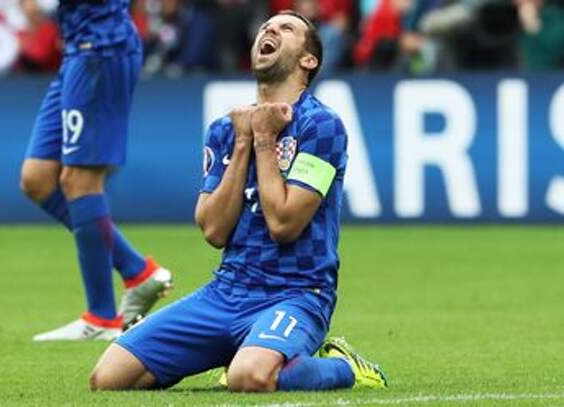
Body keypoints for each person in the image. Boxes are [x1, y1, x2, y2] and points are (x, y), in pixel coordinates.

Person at [89, 10, 388, 392]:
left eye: (286, 28)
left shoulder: (321, 126)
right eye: (266, 26)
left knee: (249, 377)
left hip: (296, 294)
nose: (270, 29)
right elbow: (213, 230)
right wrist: (244, 140)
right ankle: (251, 348)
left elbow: (284, 224)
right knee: (109, 377)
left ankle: (345, 367)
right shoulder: (225, 130)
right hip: (226, 292)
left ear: (308, 60)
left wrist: (263, 139)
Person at [20, 0, 172, 342]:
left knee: (80, 180)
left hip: (101, 48)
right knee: (37, 178)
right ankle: (137, 271)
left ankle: (102, 317)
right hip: (77, 49)